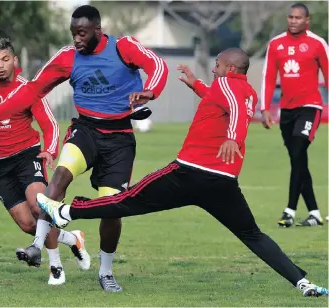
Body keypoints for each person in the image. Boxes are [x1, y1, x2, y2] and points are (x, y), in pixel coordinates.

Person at [36, 48, 328, 297]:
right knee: (253, 235)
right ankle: (301, 281)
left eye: (217, 65)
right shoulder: (245, 90)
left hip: (189, 172)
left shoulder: (230, 86)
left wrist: (233, 139)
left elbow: (236, 111)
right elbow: (224, 101)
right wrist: (195, 84)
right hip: (223, 184)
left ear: (229, 68)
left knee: (127, 199)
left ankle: (67, 212)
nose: (214, 68)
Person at [0, 5, 168, 292]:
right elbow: (33, 89)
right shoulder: (67, 57)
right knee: (60, 176)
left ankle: (106, 271)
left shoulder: (124, 47)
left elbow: (158, 66)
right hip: (85, 130)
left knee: (112, 210)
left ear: (97, 30)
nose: (77, 39)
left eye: (82, 33)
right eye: (73, 33)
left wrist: (152, 89)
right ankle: (38, 245)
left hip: (119, 138)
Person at [0, 38, 90, 285]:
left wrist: (50, 150)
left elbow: (49, 123)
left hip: (27, 156)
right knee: (27, 223)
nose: (0, 65)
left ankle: (56, 268)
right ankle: (73, 240)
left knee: (39, 206)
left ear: (15, 60)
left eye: (5, 59)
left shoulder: (28, 89)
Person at [260, 2, 328, 227]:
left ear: (306, 20)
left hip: (310, 107)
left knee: (299, 148)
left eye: (298, 18)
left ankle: (289, 211)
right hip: (286, 111)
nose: (293, 21)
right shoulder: (276, 44)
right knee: (297, 159)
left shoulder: (318, 44)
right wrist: (265, 108)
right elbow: (268, 77)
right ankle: (315, 213)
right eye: (290, 17)